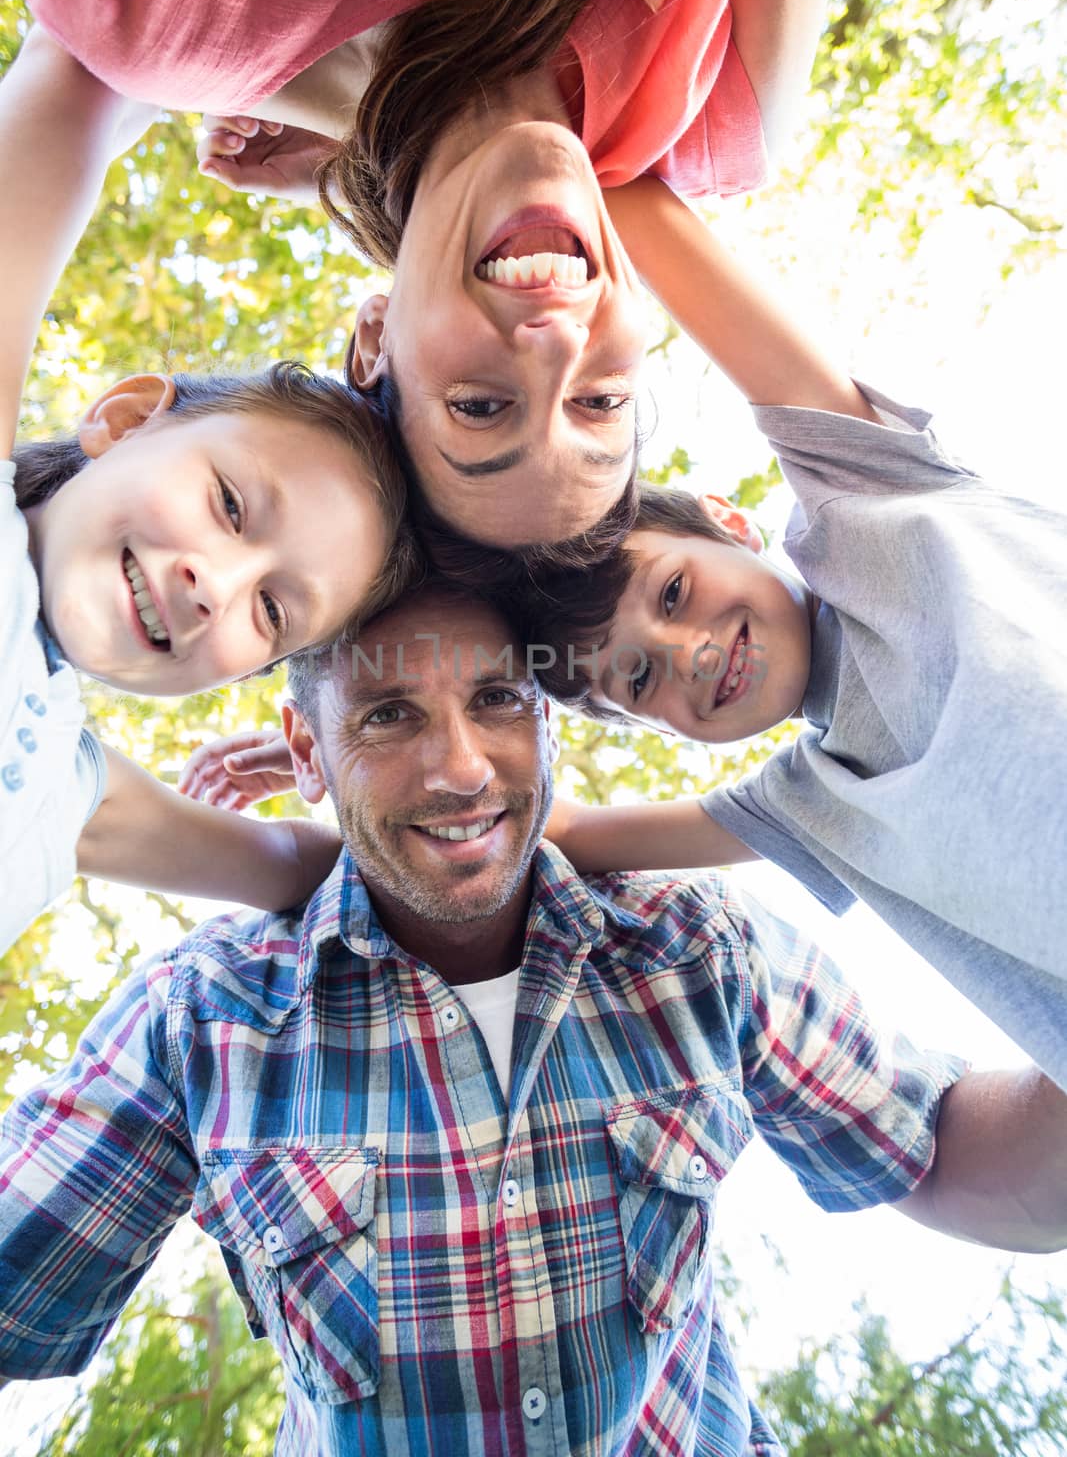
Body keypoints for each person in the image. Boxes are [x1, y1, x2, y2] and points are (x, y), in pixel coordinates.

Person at [2, 581, 1064, 1457]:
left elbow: (937, 1155)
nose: (461, 767)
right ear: (306, 747)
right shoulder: (203, 1021)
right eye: (386, 714)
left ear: (547, 715)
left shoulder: (692, 949)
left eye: (498, 699)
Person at [0, 0, 866, 547]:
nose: (556, 343)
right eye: (600, 403)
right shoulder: (725, 106)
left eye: (480, 407)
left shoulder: (158, 1)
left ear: (375, 338)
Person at [499, 176, 1067, 1088]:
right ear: (657, 731)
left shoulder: (874, 502)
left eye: (674, 590)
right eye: (638, 681)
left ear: (729, 520)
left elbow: (650, 222)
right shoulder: (814, 804)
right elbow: (543, 830)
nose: (686, 653)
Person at [0, 24, 417, 951]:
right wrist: (325, 117)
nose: (216, 586)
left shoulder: (68, 796)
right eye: (229, 506)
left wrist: (343, 745)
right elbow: (76, 70)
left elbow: (347, 869)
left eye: (272, 614)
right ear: (123, 418)